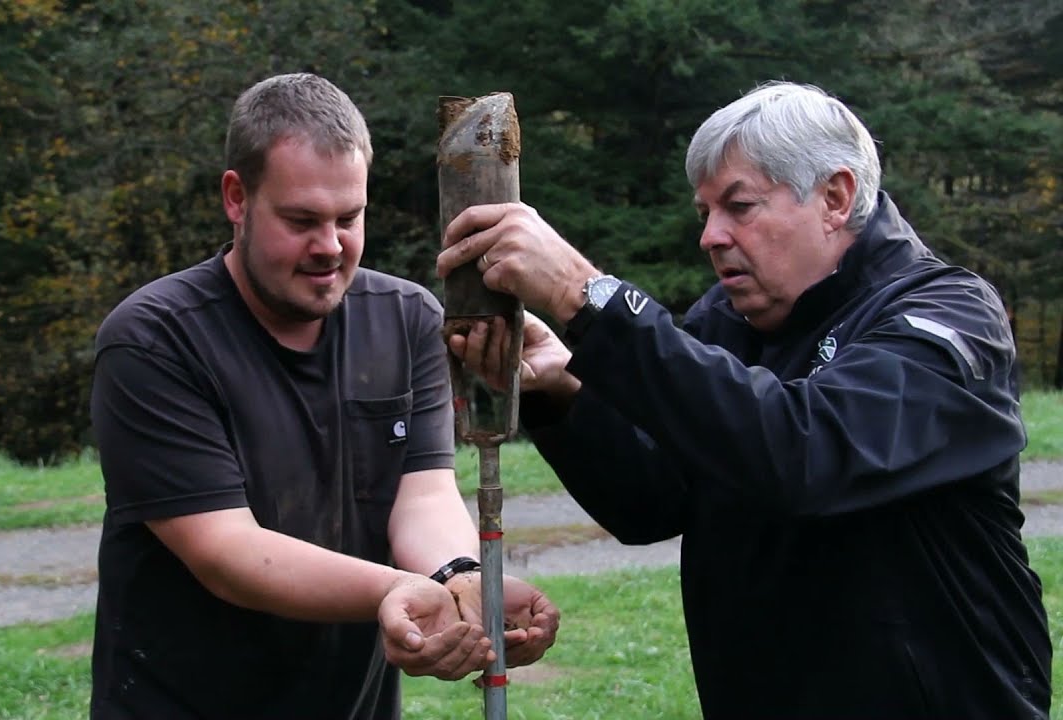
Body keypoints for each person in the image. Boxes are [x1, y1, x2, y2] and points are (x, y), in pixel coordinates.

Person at [437, 81, 1050, 718]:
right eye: (705, 211)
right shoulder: (730, 321)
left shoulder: (945, 317)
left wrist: (587, 296)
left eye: (740, 206)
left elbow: (805, 455)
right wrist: (561, 392)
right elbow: (652, 496)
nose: (711, 235)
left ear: (835, 198)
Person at [89, 72, 558, 719]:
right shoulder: (154, 340)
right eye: (302, 221)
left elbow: (421, 493)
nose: (331, 247)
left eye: (349, 217)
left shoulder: (407, 318)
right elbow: (229, 554)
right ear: (237, 197)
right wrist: (399, 589)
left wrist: (460, 580)